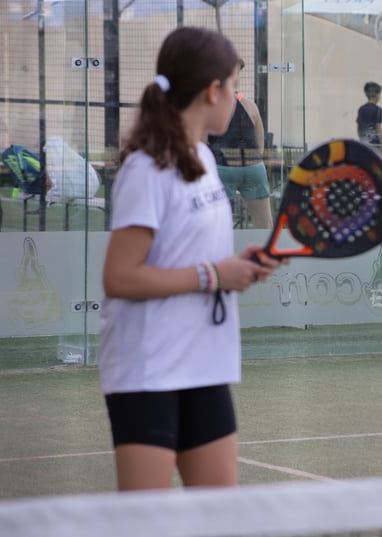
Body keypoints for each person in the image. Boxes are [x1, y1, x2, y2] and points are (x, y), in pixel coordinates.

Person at [99, 26, 286, 491]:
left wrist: (237, 264)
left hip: (206, 362)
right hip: (148, 368)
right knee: (146, 525)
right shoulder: (147, 167)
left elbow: (193, 253)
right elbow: (120, 277)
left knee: (220, 516)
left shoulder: (201, 156)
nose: (236, 97)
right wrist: (213, 274)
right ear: (213, 90)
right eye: (234, 84)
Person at [208, 58, 274, 229]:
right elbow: (260, 145)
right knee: (264, 224)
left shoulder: (210, 105)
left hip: (223, 167)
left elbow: (200, 142)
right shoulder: (250, 105)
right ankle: (268, 253)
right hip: (254, 167)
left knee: (220, 224)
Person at [356, 81, 382, 150]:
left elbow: (358, 125)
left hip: (364, 142)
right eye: (379, 94)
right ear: (376, 95)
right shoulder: (377, 109)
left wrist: (361, 137)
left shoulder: (361, 109)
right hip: (375, 143)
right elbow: (378, 127)